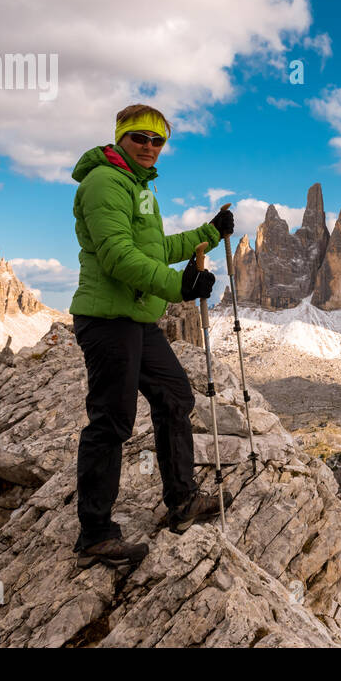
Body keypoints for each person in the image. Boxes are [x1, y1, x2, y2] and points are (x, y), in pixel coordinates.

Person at [68, 103, 236, 568]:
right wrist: (179, 286)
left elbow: (154, 248)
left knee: (175, 397)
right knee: (112, 421)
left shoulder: (139, 187)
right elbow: (118, 256)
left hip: (137, 318)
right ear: (121, 136)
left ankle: (181, 503)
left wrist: (208, 231)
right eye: (139, 137)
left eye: (157, 139)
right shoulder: (104, 182)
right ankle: (95, 536)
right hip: (107, 321)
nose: (148, 146)